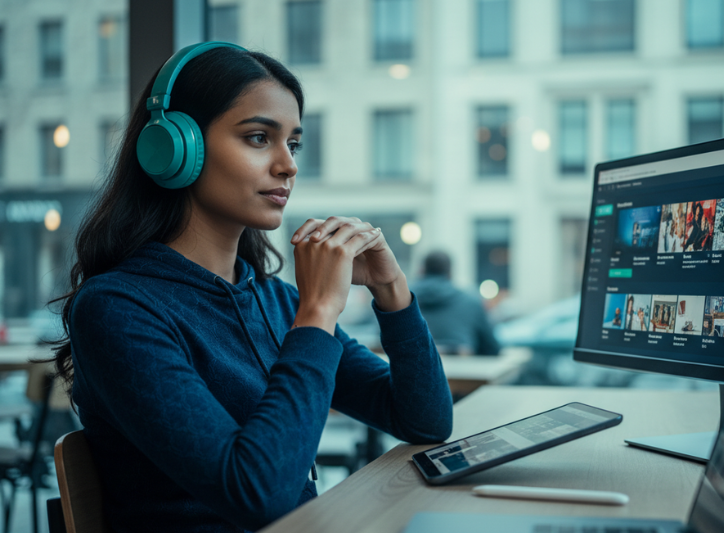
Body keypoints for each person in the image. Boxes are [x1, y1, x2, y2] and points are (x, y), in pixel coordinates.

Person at [48, 42, 452, 533]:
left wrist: (392, 291)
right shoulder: (119, 309)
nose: (288, 165)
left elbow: (424, 421)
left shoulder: (273, 301)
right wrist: (319, 310)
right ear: (176, 148)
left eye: (294, 143)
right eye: (259, 137)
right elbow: (259, 495)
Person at [411, 251, 501, 355]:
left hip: (411, 369)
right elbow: (492, 347)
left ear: (422, 270)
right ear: (450, 273)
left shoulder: (403, 301)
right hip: (462, 369)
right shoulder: (471, 302)